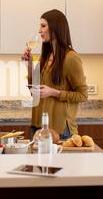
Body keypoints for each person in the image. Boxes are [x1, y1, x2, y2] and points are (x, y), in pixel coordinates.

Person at [22, 9, 88, 140]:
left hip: (60, 130)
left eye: (43, 26)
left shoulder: (71, 58)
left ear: (55, 27)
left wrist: (54, 92)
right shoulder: (45, 57)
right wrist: (29, 65)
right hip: (39, 127)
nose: (39, 30)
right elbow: (34, 91)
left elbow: (83, 95)